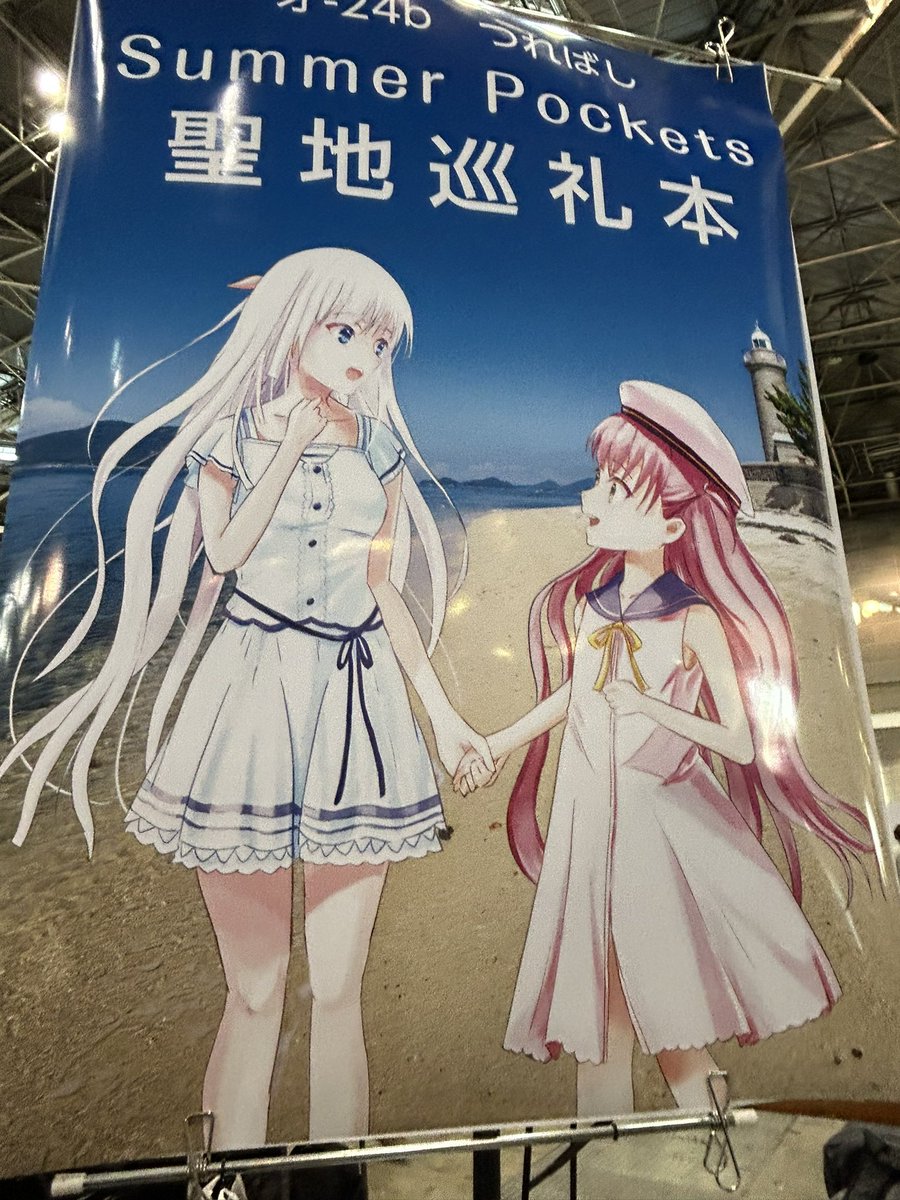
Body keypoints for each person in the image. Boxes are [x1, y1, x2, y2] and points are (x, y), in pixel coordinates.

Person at [2, 247, 492, 1148]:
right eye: (344, 331)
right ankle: (228, 1175)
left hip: (357, 700)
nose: (364, 357)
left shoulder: (378, 448)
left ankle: (337, 1170)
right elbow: (223, 556)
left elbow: (382, 589)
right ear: (293, 324)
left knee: (339, 989)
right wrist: (291, 448)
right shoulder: (229, 438)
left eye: (379, 343)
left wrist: (447, 717)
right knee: (255, 988)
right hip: (250, 695)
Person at [456, 379, 871, 1117]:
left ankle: (713, 1147)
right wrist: (496, 741)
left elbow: (738, 738)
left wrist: (652, 706)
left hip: (658, 832)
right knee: (604, 1023)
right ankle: (622, 1146)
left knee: (666, 1024)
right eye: (599, 479)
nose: (590, 496)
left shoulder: (694, 619)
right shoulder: (595, 605)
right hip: (590, 822)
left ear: (675, 524)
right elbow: (575, 696)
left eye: (616, 487)